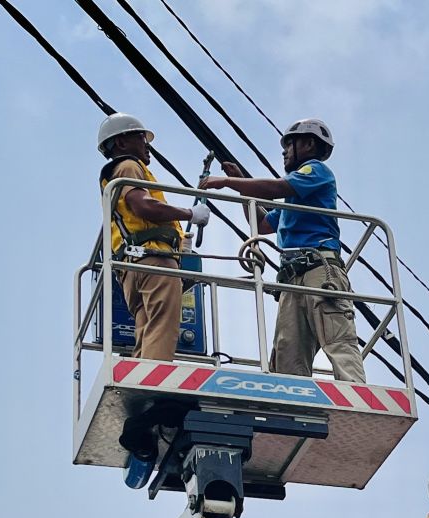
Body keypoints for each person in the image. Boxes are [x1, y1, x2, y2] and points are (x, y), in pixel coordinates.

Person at [199, 118, 366, 383]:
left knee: (335, 336)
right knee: (288, 351)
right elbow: (263, 223)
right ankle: (294, 404)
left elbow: (277, 187)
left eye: (290, 144)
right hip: (292, 277)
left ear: (309, 144)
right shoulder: (293, 200)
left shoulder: (317, 171)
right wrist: (243, 186)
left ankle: (355, 395)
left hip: (319, 271)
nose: (284, 151)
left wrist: (230, 182)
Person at [98, 113, 209, 362]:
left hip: (133, 265)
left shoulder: (118, 173)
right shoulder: (129, 166)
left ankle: (139, 380)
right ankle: (154, 387)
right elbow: (143, 206)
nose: (147, 144)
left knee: (147, 330)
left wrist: (180, 246)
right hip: (152, 261)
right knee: (163, 326)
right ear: (122, 142)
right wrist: (190, 212)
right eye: (140, 137)